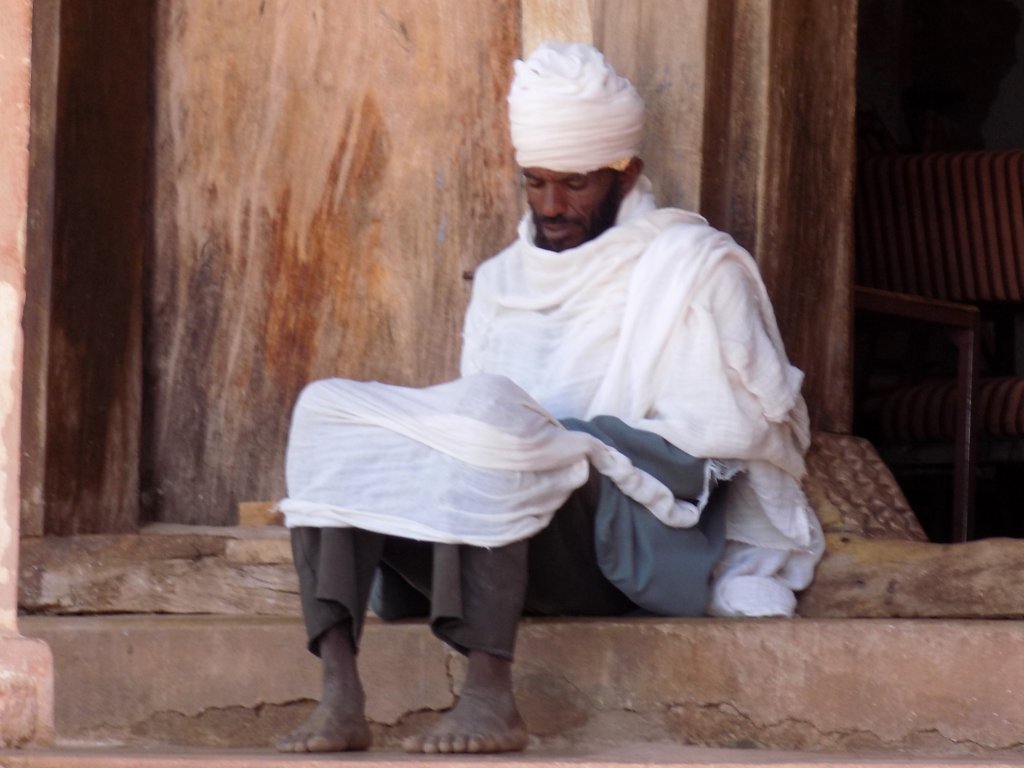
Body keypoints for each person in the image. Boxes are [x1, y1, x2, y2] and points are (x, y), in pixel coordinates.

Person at [275, 41, 823, 756]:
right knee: (328, 414)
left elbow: (731, 443)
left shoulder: (693, 267)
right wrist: (514, 436)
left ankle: (489, 698)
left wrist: (568, 441)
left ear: (626, 175)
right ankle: (341, 697)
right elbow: (474, 420)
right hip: (484, 530)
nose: (552, 206)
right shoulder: (504, 279)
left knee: (499, 423)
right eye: (535, 183)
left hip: (615, 546)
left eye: (574, 185)